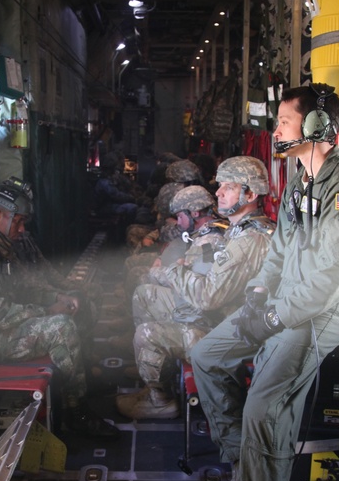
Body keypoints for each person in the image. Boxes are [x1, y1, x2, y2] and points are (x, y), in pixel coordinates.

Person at [189, 83, 339, 481]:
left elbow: (327, 284)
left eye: (284, 123)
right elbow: (279, 251)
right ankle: (241, 461)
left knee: (264, 408)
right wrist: (257, 295)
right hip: (282, 300)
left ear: (317, 128)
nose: (275, 131)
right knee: (208, 355)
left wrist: (273, 319)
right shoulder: (301, 178)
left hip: (320, 315)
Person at [0, 179, 118, 437]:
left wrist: (58, 298)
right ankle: (77, 413)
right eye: (18, 221)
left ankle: (79, 384)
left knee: (74, 310)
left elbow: (21, 292)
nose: (22, 228)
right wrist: (49, 310)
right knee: (61, 327)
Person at [118, 158, 276, 419]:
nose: (218, 193)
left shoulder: (250, 239)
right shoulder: (242, 230)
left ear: (250, 193)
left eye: (229, 187)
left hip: (227, 333)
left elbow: (208, 297)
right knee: (146, 296)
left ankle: (160, 400)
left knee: (147, 334)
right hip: (224, 320)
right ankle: (153, 368)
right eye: (220, 186)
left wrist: (176, 270)